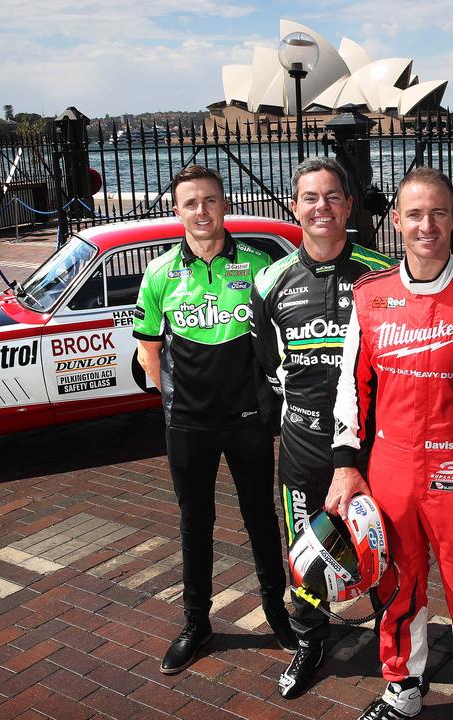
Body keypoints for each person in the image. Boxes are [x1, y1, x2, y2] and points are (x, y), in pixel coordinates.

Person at [330, 168, 453, 720]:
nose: (426, 225)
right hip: (389, 467)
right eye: (414, 214)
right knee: (396, 589)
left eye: (438, 212)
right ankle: (402, 688)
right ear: (395, 222)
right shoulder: (369, 296)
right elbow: (352, 385)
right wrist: (345, 465)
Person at [133, 164, 294, 675]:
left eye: (210, 200)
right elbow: (149, 351)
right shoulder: (159, 272)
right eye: (190, 203)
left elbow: (281, 334)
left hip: (247, 418)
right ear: (176, 211)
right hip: (189, 424)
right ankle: (196, 622)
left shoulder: (258, 263)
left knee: (261, 519)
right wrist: (176, 402)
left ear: (224, 204)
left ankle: (277, 612)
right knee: (193, 522)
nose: (201, 211)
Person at [250, 156, 394, 699]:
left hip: (375, 448)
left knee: (385, 549)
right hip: (304, 447)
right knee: (306, 552)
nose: (322, 208)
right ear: (295, 206)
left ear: (349, 205)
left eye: (333, 196)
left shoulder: (380, 275)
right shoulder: (270, 281)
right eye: (310, 198)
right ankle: (310, 643)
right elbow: (268, 368)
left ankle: (395, 643)